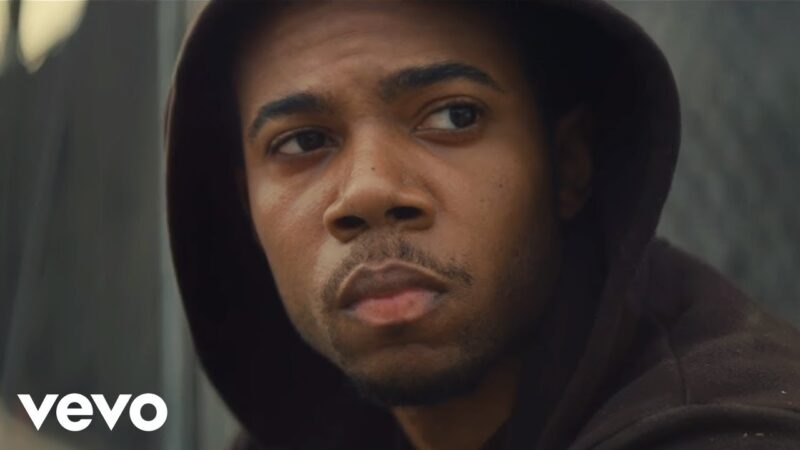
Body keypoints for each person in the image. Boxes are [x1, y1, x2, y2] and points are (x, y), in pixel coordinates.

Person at [165, 1, 800, 449]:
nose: (369, 192)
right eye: (303, 141)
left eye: (454, 117)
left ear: (569, 163)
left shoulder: (733, 428)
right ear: (245, 205)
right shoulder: (313, 431)